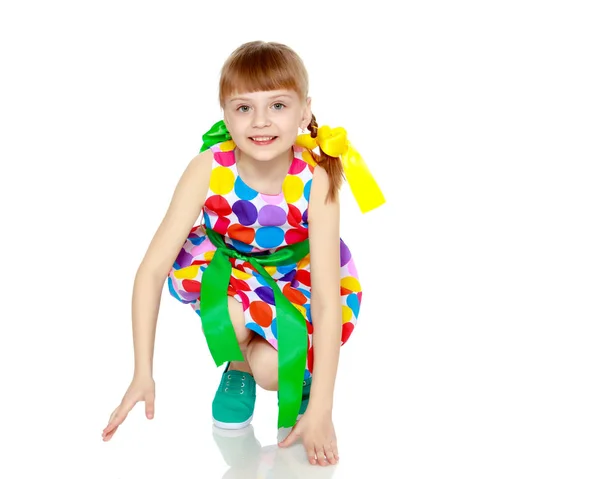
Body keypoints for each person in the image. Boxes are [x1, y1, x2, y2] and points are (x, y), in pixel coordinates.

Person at [101, 40, 385, 467]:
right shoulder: (208, 168)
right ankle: (238, 367)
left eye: (278, 105)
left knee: (275, 371)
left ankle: (293, 375)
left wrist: (322, 410)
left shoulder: (318, 176)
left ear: (304, 112)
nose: (261, 121)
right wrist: (142, 371)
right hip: (229, 271)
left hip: (296, 278)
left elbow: (328, 300)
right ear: (225, 115)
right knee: (227, 317)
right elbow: (151, 270)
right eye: (244, 108)